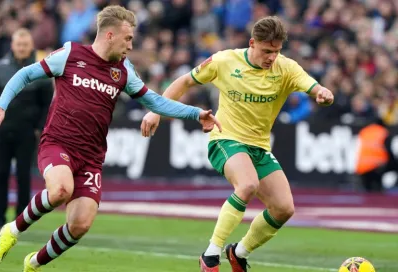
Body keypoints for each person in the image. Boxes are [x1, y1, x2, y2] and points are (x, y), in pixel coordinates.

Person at [0, 5, 221, 272]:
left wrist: (195, 113)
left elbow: (155, 102)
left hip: (91, 157)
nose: (130, 45)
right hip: (58, 143)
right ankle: (12, 229)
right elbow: (26, 74)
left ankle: (33, 263)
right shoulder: (71, 54)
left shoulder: (123, 71)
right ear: (109, 35)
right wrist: (1, 105)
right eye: (127, 39)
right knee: (60, 190)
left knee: (79, 225)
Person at [140, 16, 334, 272]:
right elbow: (185, 81)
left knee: (284, 209)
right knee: (248, 184)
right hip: (225, 139)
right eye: (266, 51)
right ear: (252, 43)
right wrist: (156, 111)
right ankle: (211, 254)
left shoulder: (286, 68)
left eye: (276, 51)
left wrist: (323, 93)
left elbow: (313, 87)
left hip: (259, 148)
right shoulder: (224, 61)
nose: (271, 57)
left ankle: (238, 252)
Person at [0, 28, 54, 234]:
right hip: (2, 130)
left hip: (27, 132)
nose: (21, 48)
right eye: (18, 44)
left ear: (31, 46)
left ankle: (20, 221)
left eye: (25, 44)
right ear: (12, 45)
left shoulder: (41, 70)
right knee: (0, 174)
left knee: (23, 176)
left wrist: (40, 128)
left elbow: (47, 104)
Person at [355, 117, 397, 192]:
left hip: (362, 167)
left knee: (368, 192)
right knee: (377, 191)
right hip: (377, 166)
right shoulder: (383, 132)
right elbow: (388, 151)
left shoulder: (365, 131)